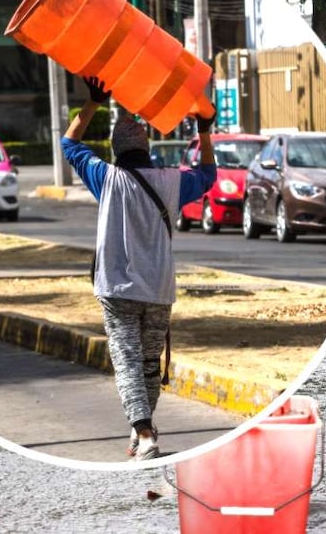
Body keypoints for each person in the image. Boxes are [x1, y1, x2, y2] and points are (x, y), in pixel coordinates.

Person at [61, 76, 216, 462]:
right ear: (146, 146)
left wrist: (93, 103)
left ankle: (144, 434)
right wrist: (203, 131)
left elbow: (69, 144)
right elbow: (209, 174)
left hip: (117, 289)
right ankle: (142, 431)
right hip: (159, 290)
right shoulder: (171, 182)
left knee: (127, 359)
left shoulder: (106, 178)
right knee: (148, 363)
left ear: (116, 150)